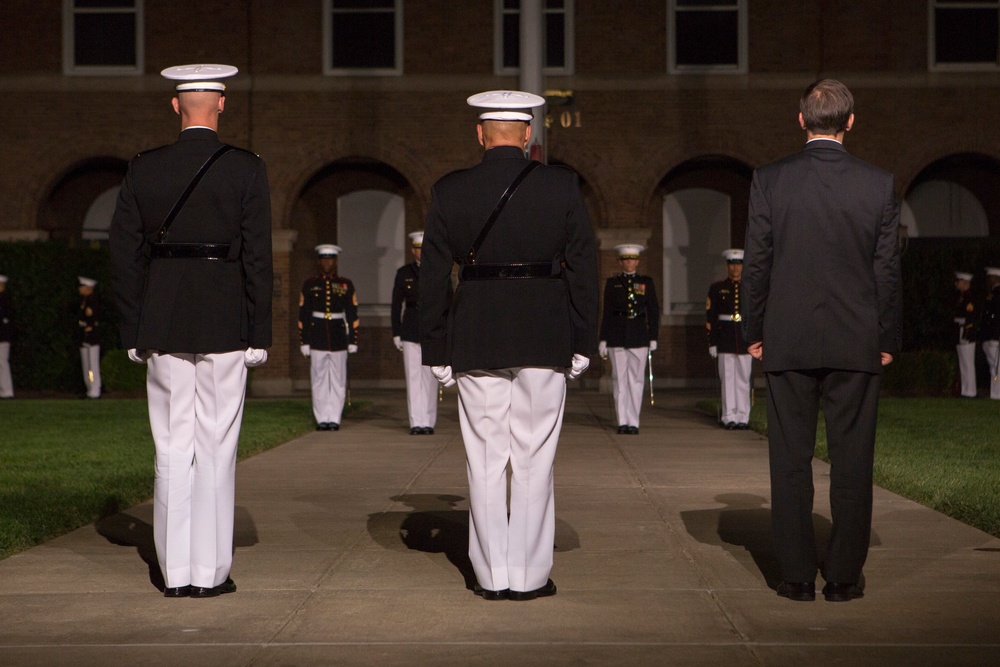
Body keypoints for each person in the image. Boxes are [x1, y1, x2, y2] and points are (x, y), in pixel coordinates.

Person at [420, 89, 598, 601]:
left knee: (485, 456)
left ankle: (491, 575)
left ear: (480, 135)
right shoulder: (561, 186)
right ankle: (529, 575)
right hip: (544, 331)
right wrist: (584, 336)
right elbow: (584, 267)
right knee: (534, 457)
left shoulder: (450, 190)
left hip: (476, 332)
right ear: (527, 136)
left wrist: (435, 346)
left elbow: (433, 276)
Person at [109, 63, 273, 599]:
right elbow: (258, 258)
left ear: (175, 105)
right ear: (221, 104)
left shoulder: (145, 168)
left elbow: (125, 256)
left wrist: (134, 323)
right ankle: (210, 572)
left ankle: (174, 572)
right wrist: (260, 331)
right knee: (217, 446)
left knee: (172, 444)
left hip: (164, 316)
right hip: (225, 315)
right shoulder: (245, 168)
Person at [743, 79, 900, 603]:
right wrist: (886, 335)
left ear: (802, 119)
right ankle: (842, 577)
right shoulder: (877, 184)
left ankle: (795, 576)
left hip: (787, 338)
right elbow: (886, 270)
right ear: (850, 122)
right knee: (853, 462)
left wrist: (753, 331)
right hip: (855, 339)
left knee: (789, 461)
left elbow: (758, 262)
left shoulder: (771, 181)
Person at [598, 244, 659, 434]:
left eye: (632, 259)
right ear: (620, 262)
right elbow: (606, 312)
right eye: (626, 259)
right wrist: (603, 338)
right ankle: (622, 421)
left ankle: (634, 421)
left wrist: (653, 337)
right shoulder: (613, 283)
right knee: (619, 380)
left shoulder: (646, 282)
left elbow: (653, 311)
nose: (629, 263)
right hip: (617, 335)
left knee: (636, 381)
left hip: (639, 335)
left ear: (638, 261)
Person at [299, 244, 359, 431]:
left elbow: (352, 312)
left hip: (338, 336)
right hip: (317, 336)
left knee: (338, 380)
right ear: (319, 261)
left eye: (330, 258)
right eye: (323, 258)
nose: (327, 262)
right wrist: (304, 340)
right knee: (318, 380)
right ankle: (321, 418)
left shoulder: (345, 284)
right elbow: (303, 313)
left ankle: (334, 417)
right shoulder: (310, 284)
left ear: (335, 261)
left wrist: (353, 340)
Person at [391, 230, 443, 435]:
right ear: (413, 250)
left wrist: (444, 331)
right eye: (417, 249)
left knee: (430, 379)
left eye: (424, 248)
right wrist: (396, 332)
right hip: (411, 329)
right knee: (413, 378)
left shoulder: (437, 271)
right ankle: (416, 422)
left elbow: (445, 302)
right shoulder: (404, 273)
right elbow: (396, 305)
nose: (421, 252)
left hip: (431, 330)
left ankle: (428, 421)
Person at [706, 248, 752, 429]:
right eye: (732, 264)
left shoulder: (749, 287)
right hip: (724, 338)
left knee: (743, 379)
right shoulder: (717, 288)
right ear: (727, 267)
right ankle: (728, 416)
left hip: (743, 338)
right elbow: (711, 316)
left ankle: (743, 416)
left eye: (739, 264)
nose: (735, 268)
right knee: (727, 379)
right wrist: (712, 342)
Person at [77, 276, 102, 399]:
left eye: (82, 287)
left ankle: (94, 389)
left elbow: (93, 320)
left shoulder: (93, 301)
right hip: (85, 338)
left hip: (92, 339)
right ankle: (89, 389)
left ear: (88, 288)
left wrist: (88, 326)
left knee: (92, 366)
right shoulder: (84, 301)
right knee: (87, 366)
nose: (79, 289)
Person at [954, 271, 977, 398]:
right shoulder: (962, 297)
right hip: (960, 330)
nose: (957, 284)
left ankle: (970, 391)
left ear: (965, 283)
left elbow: (970, 317)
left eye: (959, 282)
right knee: (963, 362)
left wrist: (967, 334)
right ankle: (965, 390)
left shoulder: (969, 298)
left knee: (967, 362)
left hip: (966, 332)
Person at [980, 267, 1000, 399]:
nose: (988, 280)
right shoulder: (992, 293)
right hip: (990, 334)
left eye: (990, 277)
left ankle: (997, 393)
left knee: (997, 367)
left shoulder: (998, 293)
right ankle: (995, 393)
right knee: (994, 367)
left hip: (995, 335)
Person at [0, 275, 12, 398]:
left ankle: (7, 390)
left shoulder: (5, 300)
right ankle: (3, 390)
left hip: (3, 337)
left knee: (2, 362)